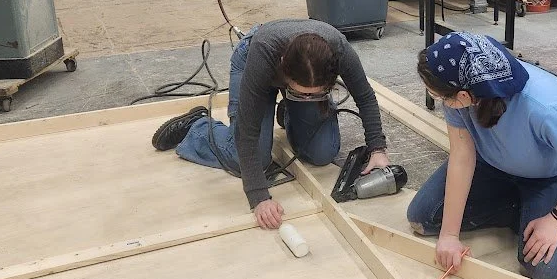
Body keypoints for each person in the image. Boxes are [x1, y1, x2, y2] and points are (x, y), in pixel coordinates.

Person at [407, 32, 557, 279]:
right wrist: (449, 236)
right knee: (423, 218)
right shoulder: (462, 89)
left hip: (551, 176)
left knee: (542, 269)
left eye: (438, 95)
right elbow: (463, 157)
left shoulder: (544, 106)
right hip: (494, 166)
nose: (436, 98)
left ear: (463, 96)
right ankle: (521, 209)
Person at [151, 20, 390, 229]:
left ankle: (290, 110)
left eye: (314, 94)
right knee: (245, 158)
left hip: (303, 70)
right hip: (252, 56)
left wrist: (377, 149)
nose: (308, 96)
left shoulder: (338, 50)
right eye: (300, 93)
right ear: (284, 67)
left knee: (322, 153)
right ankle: (199, 128)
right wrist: (258, 196)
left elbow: (365, 97)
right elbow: (248, 130)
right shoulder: (262, 55)